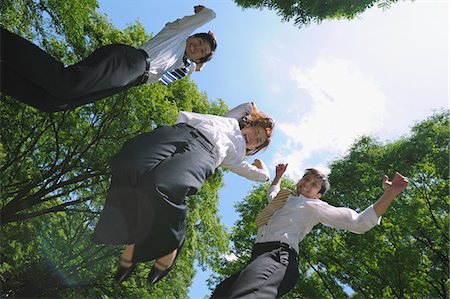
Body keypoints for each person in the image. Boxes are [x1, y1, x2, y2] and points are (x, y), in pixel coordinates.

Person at [90, 102, 275, 285]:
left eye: (257, 142)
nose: (252, 139)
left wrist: (262, 166)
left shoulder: (237, 157)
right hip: (180, 132)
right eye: (255, 133)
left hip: (205, 153)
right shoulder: (229, 121)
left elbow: (262, 176)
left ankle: (169, 245)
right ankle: (129, 232)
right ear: (249, 123)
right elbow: (248, 106)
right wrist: (266, 122)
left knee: (160, 187)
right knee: (127, 164)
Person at [211, 163, 409, 298]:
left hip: (278, 257)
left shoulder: (313, 206)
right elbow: (272, 193)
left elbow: (358, 223)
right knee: (222, 293)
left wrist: (389, 194)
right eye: (306, 179)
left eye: (314, 185)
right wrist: (278, 176)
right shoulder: (284, 199)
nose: (307, 184)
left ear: (318, 195)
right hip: (257, 258)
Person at [0, 5, 217, 112]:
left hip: (130, 81)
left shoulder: (182, 64)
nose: (197, 47)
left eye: (201, 51)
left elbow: (196, 69)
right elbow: (209, 15)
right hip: (132, 61)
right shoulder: (178, 33)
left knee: (55, 102)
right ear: (192, 34)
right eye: (198, 42)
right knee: (67, 83)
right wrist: (205, 24)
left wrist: (203, 61)